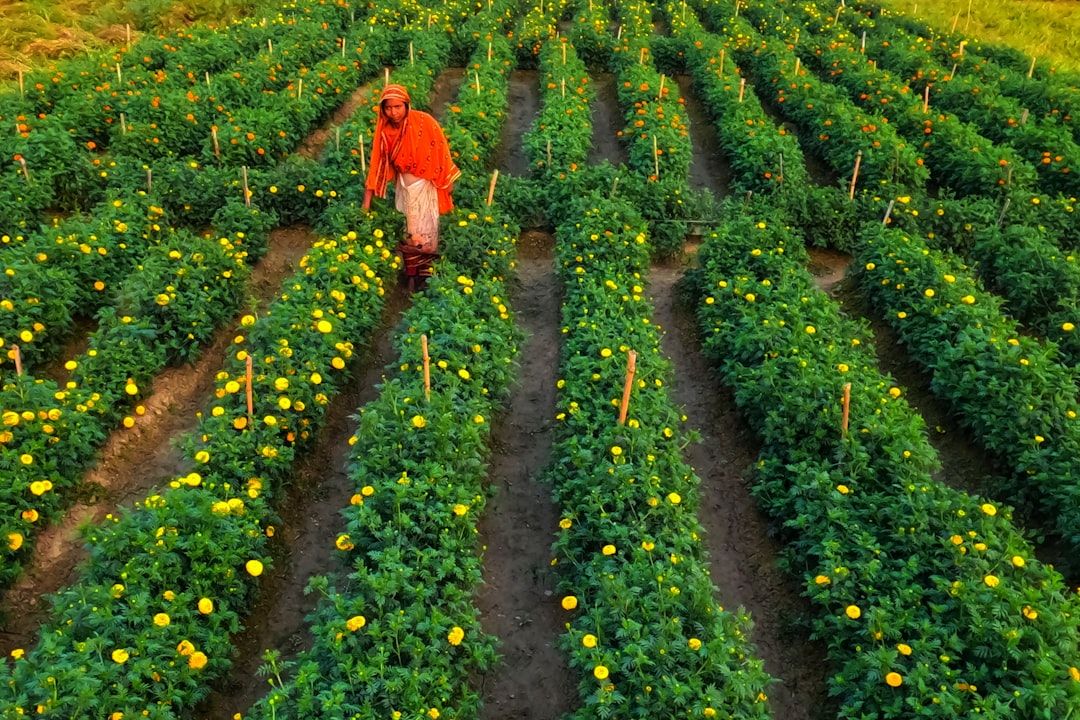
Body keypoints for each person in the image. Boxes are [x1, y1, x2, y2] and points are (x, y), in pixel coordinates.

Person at [362, 83, 460, 292]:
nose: (393, 112)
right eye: (388, 108)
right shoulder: (385, 132)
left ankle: (425, 275)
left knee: (427, 231)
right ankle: (411, 273)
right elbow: (377, 164)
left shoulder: (424, 122)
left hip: (425, 184)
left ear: (406, 105)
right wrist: (366, 202)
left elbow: (440, 148)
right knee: (410, 230)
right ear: (382, 109)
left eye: (398, 107)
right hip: (404, 187)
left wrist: (446, 179)